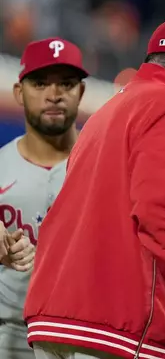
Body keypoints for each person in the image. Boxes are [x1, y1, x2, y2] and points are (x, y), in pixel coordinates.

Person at [23, 18, 165, 359]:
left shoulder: (107, 112)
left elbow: (132, 218)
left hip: (54, 317)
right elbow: (161, 212)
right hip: (114, 323)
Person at [0, 37, 84, 359]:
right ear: (19, 92)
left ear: (81, 92)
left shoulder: (108, 167)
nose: (54, 95)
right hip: (11, 335)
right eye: (39, 83)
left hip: (86, 336)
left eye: (66, 83)